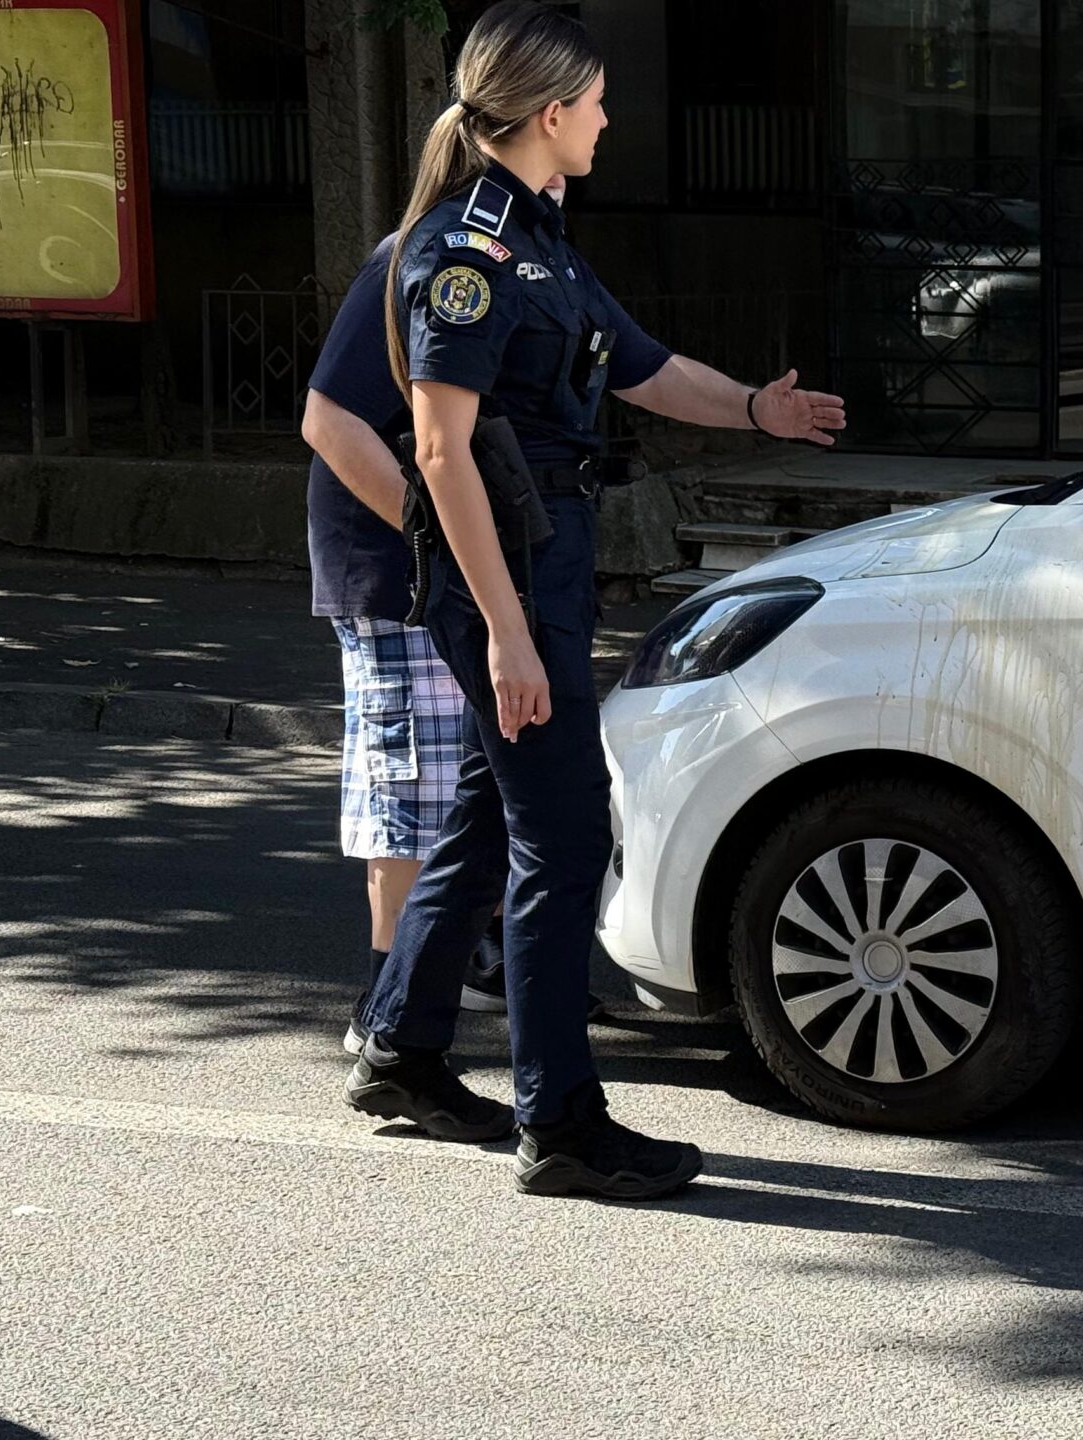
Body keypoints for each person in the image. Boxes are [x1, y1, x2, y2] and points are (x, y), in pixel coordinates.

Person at [345, 0, 845, 1199]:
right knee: (564, 838)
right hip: (506, 576)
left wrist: (757, 409)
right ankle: (561, 1124)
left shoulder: (540, 237)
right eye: (601, 102)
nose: (611, 120)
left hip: (546, 562)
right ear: (551, 110)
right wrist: (507, 634)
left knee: (490, 812)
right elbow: (442, 452)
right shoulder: (464, 256)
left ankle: (402, 1048)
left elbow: (644, 366)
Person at [305, 176, 599, 1058]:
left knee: (484, 784)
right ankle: (383, 1001)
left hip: (474, 576)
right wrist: (431, 535)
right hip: (399, 576)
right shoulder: (416, 258)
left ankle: (458, 967)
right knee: (412, 794)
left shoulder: (530, 258)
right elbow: (329, 421)